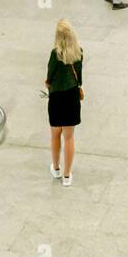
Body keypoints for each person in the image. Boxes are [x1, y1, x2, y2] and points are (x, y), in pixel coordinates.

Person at [46, 19, 84, 187]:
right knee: (69, 137)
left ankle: (56, 168)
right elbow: (80, 75)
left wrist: (48, 83)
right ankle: (67, 175)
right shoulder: (79, 52)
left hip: (57, 97)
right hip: (71, 96)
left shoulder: (55, 54)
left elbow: (50, 75)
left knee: (55, 134)